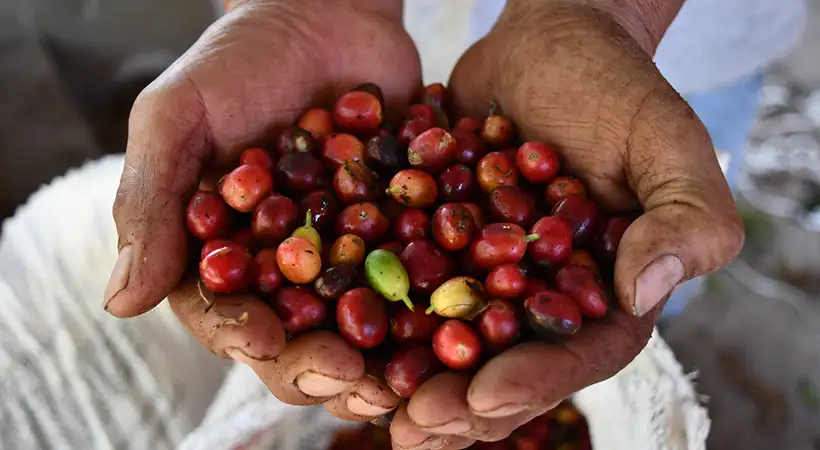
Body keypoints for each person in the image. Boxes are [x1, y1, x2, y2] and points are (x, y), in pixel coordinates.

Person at [1, 0, 803, 449]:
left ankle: (673, 313)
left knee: (651, 255)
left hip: (675, 39)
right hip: (385, 39)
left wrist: (603, 12)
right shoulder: (392, 214)